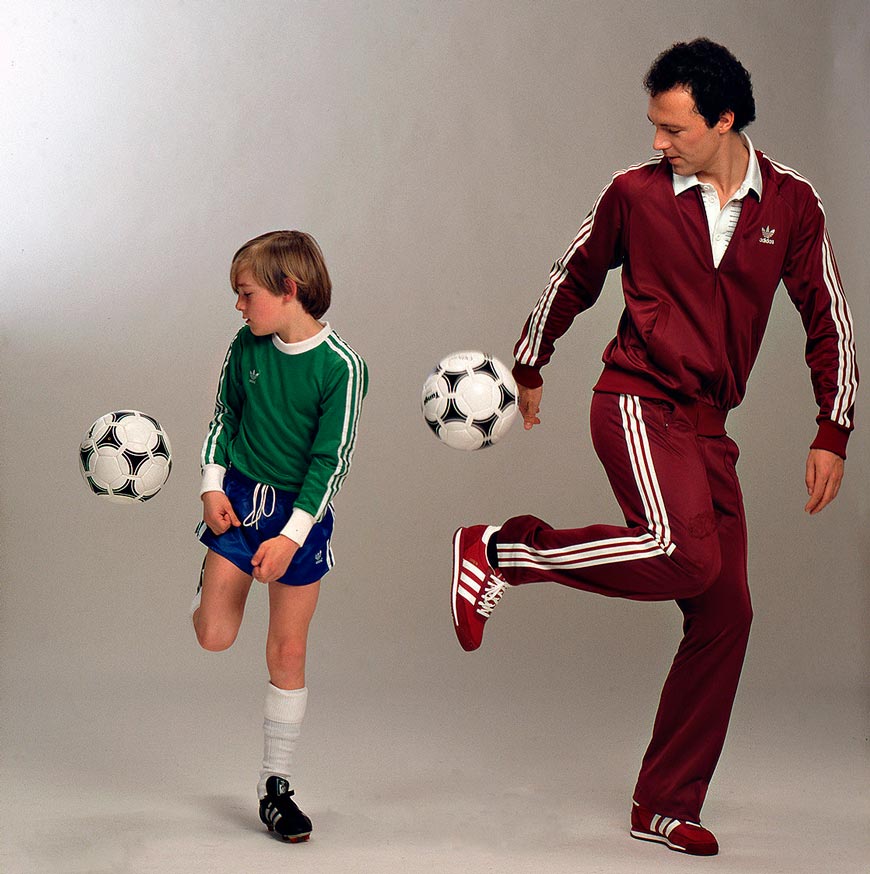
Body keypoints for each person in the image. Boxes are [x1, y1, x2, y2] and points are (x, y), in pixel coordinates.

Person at [451, 38, 856, 856]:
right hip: (636, 399)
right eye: (654, 126)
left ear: (725, 119)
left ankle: (664, 802)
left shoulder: (791, 205)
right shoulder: (633, 193)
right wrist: (532, 361)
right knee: (683, 554)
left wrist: (832, 428)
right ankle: (503, 552)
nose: (657, 143)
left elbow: (830, 318)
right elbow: (573, 275)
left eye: (673, 129)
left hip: (709, 423)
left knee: (725, 611)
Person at [191, 230, 367, 842]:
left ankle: (276, 785)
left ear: (288, 289)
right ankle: (213, 572)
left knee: (287, 651)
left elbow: (331, 463)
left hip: (301, 519)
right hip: (240, 503)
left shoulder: (341, 368)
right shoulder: (246, 347)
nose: (238, 307)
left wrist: (293, 536)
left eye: (245, 294)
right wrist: (212, 486)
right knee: (215, 636)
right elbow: (225, 416)